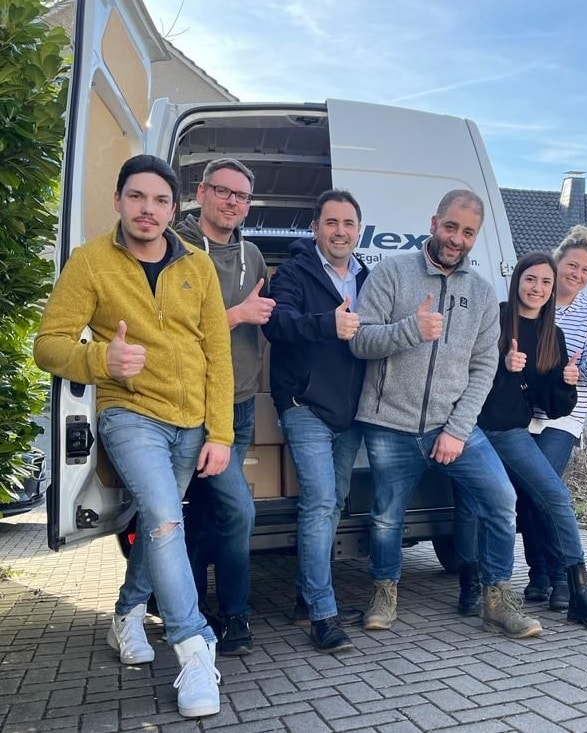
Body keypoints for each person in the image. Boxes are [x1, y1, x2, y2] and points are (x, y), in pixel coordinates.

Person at [34, 155, 233, 718]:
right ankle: (194, 648)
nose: (149, 209)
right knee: (167, 521)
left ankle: (126, 614)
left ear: (174, 208)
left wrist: (219, 431)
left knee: (155, 523)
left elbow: (217, 352)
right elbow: (48, 344)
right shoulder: (91, 262)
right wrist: (102, 359)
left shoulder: (198, 264)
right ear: (118, 200)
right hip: (129, 414)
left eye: (160, 200)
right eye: (138, 197)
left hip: (190, 422)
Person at [350, 189, 542, 639]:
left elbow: (484, 368)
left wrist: (457, 430)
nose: (457, 238)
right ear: (434, 223)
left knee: (502, 500)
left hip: (453, 425)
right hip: (389, 424)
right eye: (451, 226)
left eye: (468, 232)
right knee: (386, 516)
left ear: (476, 237)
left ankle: (496, 599)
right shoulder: (392, 272)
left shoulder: (482, 293)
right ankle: (383, 591)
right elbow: (360, 342)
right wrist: (410, 329)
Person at [454, 252, 587, 630]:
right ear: (517, 281)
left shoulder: (551, 333)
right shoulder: (493, 317)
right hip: (471, 427)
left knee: (555, 495)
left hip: (511, 432)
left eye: (545, 282)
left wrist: (566, 382)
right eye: (531, 279)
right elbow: (459, 371)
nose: (537, 288)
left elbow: (551, 405)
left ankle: (578, 593)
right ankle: (470, 586)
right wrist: (502, 366)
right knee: (471, 506)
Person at [174, 158, 275, 656]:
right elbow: (170, 330)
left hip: (240, 403)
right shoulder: (176, 247)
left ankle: (193, 611)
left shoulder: (252, 255)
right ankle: (235, 614)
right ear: (201, 192)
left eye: (242, 196)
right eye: (223, 191)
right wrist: (237, 315)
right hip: (193, 406)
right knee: (238, 510)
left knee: (207, 513)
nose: (232, 202)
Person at [262, 190, 368, 654]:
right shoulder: (293, 272)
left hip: (351, 412)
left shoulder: (367, 276)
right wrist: (328, 323)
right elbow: (276, 325)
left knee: (334, 501)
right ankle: (323, 614)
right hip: (303, 404)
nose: (340, 231)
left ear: (358, 230)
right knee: (321, 501)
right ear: (315, 228)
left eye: (348, 223)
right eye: (331, 222)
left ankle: (308, 598)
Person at [520, 225, 587, 610]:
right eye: (572, 265)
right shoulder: (533, 299)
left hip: (563, 418)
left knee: (543, 489)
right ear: (556, 262)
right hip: (522, 414)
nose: (577, 274)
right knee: (526, 494)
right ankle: (539, 574)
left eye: (585, 270)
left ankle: (560, 577)